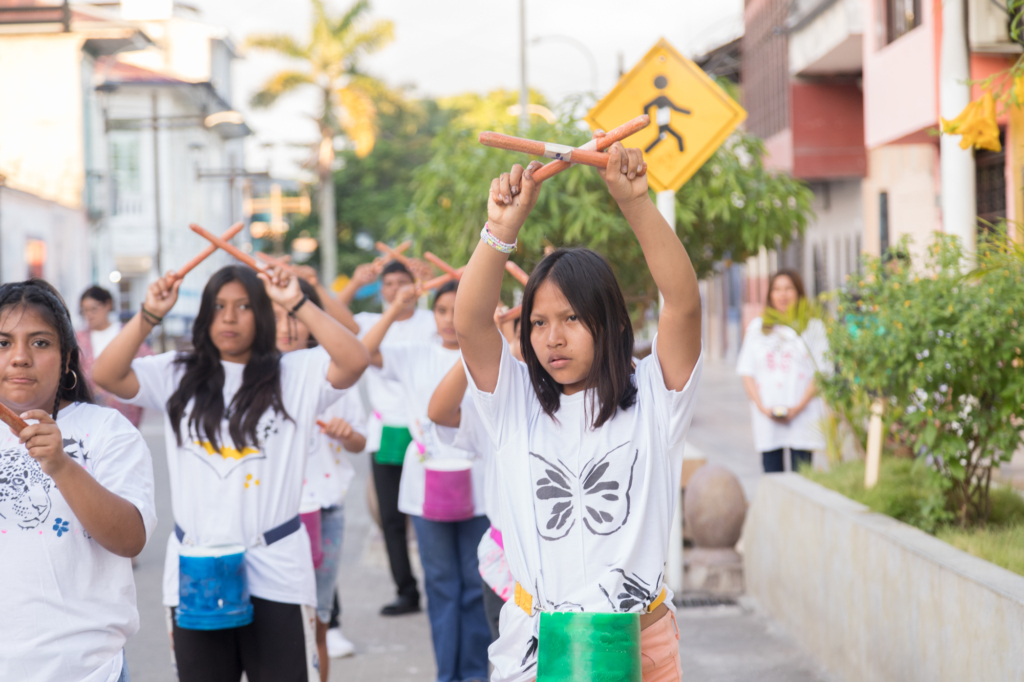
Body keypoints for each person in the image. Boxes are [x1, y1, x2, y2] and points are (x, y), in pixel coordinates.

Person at [455, 142, 703, 681]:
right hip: (539, 646)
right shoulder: (514, 404)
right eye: (538, 323)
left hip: (638, 643)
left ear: (611, 322)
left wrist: (635, 201)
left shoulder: (655, 396)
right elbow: (470, 323)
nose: (553, 338)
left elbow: (682, 303)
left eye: (570, 318)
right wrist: (500, 229)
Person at [92, 264, 369, 682]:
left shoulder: (295, 372)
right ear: (205, 315)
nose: (230, 316)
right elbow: (105, 373)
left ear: (262, 312)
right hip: (197, 570)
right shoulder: (176, 373)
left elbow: (354, 359)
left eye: (244, 306)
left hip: (277, 569)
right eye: (219, 306)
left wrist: (295, 301)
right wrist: (149, 312)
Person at [0, 279, 156, 682]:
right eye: (3, 343)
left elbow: (130, 538)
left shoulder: (105, 430)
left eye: (39, 343)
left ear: (68, 357)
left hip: (89, 670)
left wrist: (62, 465)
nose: (19, 357)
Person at [363, 280, 491, 682]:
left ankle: (474, 675)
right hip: (425, 490)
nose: (450, 320)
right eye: (441, 310)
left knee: (474, 586)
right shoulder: (414, 354)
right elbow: (362, 353)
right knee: (441, 587)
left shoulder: (490, 355)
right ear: (430, 315)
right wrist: (395, 307)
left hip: (481, 491)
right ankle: (446, 675)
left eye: (459, 310)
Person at [273, 278, 368, 678]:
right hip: (275, 517)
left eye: (294, 314)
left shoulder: (333, 375)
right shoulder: (254, 376)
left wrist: (348, 435)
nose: (287, 325)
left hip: (325, 510)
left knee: (318, 623)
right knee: (275, 625)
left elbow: (361, 441)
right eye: (277, 315)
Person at [343, 259, 436, 616]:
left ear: (416, 286)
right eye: (389, 283)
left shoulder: (432, 322)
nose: (397, 289)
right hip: (386, 432)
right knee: (391, 519)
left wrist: (429, 284)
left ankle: (441, 585)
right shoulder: (370, 324)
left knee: (430, 514)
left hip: (426, 430)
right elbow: (331, 312)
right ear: (381, 289)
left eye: (404, 282)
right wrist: (355, 280)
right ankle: (406, 590)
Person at [428, 309, 521, 642]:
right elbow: (440, 412)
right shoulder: (500, 405)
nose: (551, 338)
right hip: (507, 570)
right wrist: (479, 338)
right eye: (537, 324)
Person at [736, 269, 829, 473]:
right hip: (767, 417)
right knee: (772, 477)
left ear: (799, 293)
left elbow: (821, 372)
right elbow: (747, 372)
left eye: (788, 289)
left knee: (802, 479)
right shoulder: (758, 328)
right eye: (777, 289)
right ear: (770, 294)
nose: (783, 294)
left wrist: (796, 408)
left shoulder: (813, 327)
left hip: (803, 416)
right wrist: (762, 408)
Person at [77, 285, 153, 427]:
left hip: (125, 411)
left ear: (108, 305)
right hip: (89, 413)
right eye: (84, 311)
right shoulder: (78, 339)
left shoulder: (126, 333)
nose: (89, 314)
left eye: (94, 309)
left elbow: (148, 362)